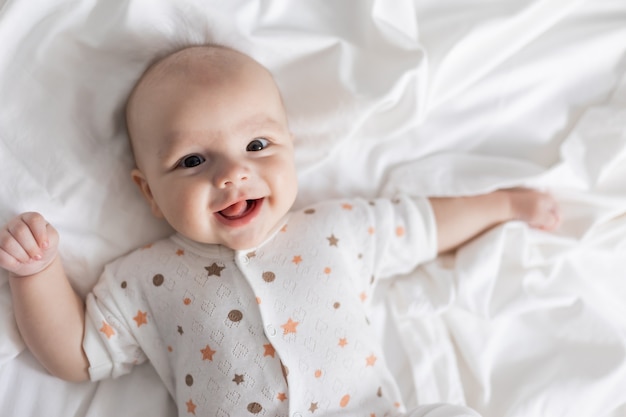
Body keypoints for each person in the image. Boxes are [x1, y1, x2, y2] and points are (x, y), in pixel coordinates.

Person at [0, 44, 559, 417]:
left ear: (293, 149)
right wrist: (37, 273)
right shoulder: (143, 279)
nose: (232, 173)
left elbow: (421, 224)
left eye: (257, 146)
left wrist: (504, 203)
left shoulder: (335, 230)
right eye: (193, 161)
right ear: (148, 192)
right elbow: (76, 356)